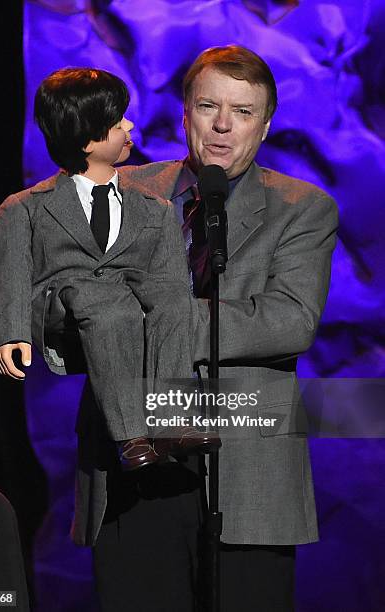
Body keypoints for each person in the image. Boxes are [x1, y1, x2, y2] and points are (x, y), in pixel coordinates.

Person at [72, 46, 338, 611]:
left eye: (242, 112)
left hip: (247, 470)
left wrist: (150, 323)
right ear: (184, 113)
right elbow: (69, 303)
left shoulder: (302, 208)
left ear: (265, 126)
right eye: (208, 106)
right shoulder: (114, 189)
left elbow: (289, 318)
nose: (221, 125)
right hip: (133, 466)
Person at [0, 67, 219, 472]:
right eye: (117, 122)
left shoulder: (153, 207)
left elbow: (166, 278)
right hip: (65, 300)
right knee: (106, 305)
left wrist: (170, 300)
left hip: (125, 296)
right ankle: (130, 435)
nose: (129, 125)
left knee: (170, 302)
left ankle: (174, 419)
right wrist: (10, 333)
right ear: (87, 136)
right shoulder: (25, 207)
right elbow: (11, 270)